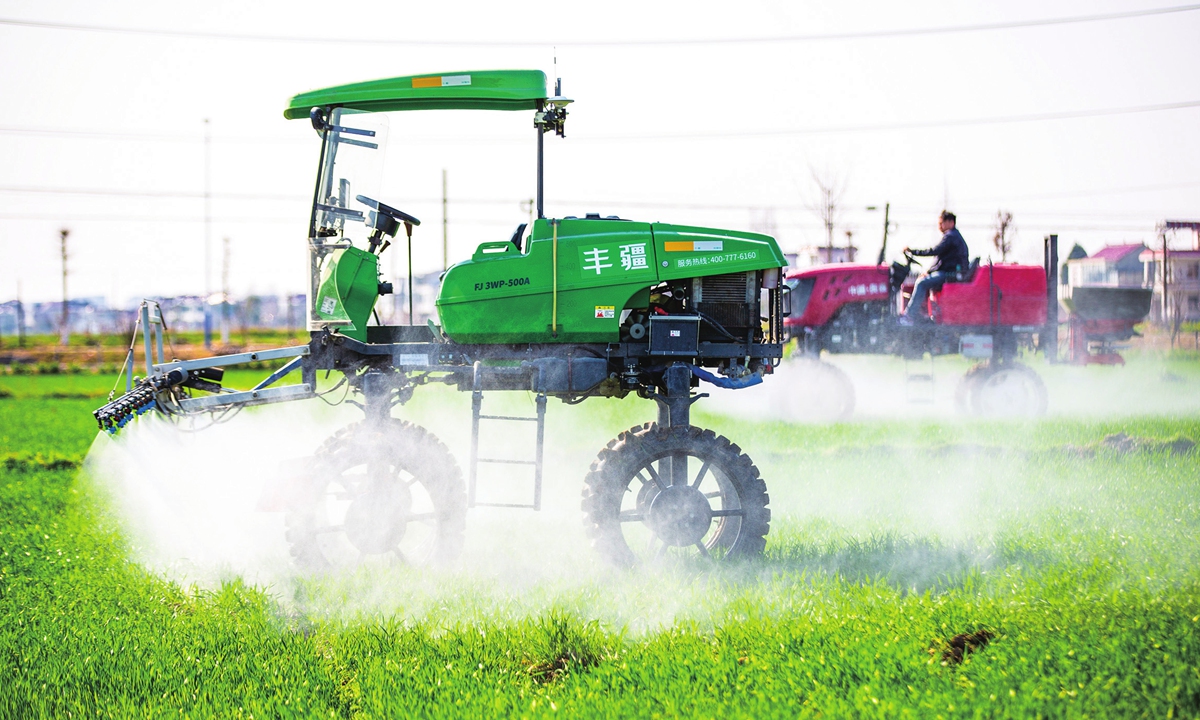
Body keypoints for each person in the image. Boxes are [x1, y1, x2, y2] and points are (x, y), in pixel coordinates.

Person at [899, 211, 970, 324]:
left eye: (942, 223)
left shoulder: (951, 236)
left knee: (921, 283)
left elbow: (935, 251)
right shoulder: (954, 237)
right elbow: (941, 259)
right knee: (923, 280)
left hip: (950, 274)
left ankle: (909, 315)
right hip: (949, 272)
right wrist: (929, 271)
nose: (939, 226)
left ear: (951, 222)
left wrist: (913, 251)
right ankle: (922, 315)